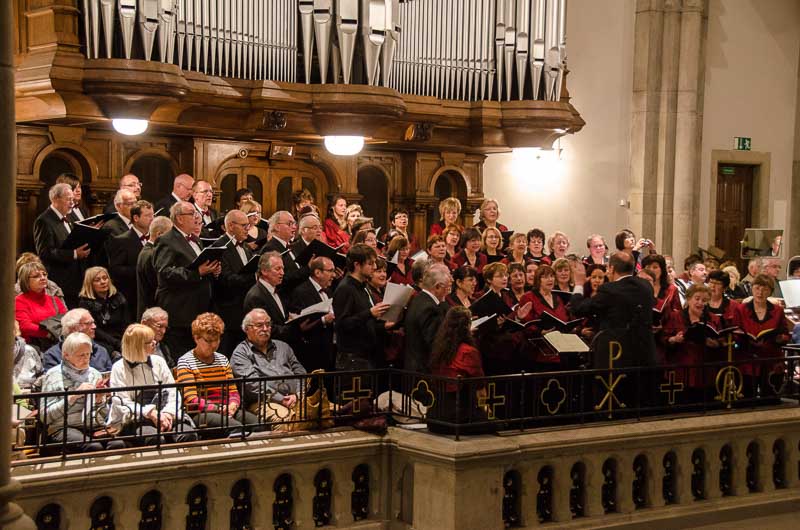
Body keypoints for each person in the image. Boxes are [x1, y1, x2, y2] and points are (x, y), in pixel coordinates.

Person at [570, 251, 657, 376]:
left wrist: (578, 285)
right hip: (644, 354)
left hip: (616, 356)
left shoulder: (610, 290)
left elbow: (579, 308)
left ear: (612, 268)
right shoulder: (646, 286)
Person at [176, 313, 263, 438]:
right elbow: (191, 399)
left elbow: (233, 391)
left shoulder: (222, 359)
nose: (213, 345)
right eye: (208, 341)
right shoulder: (186, 361)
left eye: (216, 340)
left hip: (225, 408)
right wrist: (217, 408)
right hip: (200, 413)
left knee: (258, 424)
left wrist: (233, 405)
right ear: (196, 338)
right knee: (235, 427)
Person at [110, 324, 198, 445]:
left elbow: (172, 392)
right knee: (154, 438)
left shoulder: (159, 362)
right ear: (137, 346)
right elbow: (122, 402)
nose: (155, 343)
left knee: (187, 434)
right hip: (135, 419)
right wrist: (150, 413)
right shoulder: (119, 368)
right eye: (150, 342)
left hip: (165, 413)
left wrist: (168, 413)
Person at [154, 201, 221, 356]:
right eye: (192, 214)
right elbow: (164, 272)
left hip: (199, 307)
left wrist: (213, 270)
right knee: (181, 354)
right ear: (179, 218)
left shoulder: (196, 239)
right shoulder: (166, 240)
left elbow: (201, 266)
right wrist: (197, 273)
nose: (196, 217)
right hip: (180, 310)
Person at [41, 332, 125, 453]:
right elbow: (45, 416)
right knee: (93, 447)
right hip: (64, 426)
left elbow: (104, 414)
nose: (86, 359)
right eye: (81, 355)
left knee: (117, 444)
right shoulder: (53, 375)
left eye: (88, 354)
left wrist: (99, 401)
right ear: (66, 355)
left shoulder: (95, 374)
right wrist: (73, 397)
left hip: (93, 424)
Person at [231, 309, 307, 430]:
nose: (265, 329)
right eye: (259, 325)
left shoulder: (283, 346)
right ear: (247, 329)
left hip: (295, 398)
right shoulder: (241, 353)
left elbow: (301, 373)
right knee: (286, 421)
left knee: (325, 413)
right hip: (262, 402)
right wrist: (281, 399)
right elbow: (252, 385)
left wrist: (298, 394)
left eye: (268, 324)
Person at [428, 306, 490, 434]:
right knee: (500, 425)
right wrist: (485, 409)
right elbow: (480, 387)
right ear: (467, 326)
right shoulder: (468, 351)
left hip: (435, 417)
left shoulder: (439, 349)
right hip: (460, 418)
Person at [333, 244, 392, 370]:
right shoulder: (345, 288)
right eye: (370, 264)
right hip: (353, 360)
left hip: (367, 356)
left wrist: (384, 325)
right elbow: (342, 324)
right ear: (357, 265)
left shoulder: (363, 285)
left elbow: (365, 323)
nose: (374, 267)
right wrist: (370, 313)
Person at [660, 284, 722, 404]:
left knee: (703, 405)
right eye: (697, 298)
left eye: (704, 300)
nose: (700, 303)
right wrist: (674, 339)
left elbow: (721, 341)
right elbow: (663, 338)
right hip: (680, 370)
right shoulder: (674, 317)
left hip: (704, 372)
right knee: (682, 405)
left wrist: (715, 344)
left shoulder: (714, 319)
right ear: (688, 299)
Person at [734, 274, 792, 398]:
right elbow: (735, 332)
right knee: (747, 399)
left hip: (771, 360)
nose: (760, 293)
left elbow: (785, 334)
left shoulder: (777, 310)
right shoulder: (741, 309)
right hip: (747, 360)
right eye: (757, 288)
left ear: (770, 292)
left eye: (765, 289)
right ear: (752, 289)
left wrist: (780, 338)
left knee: (771, 399)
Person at [34, 182, 91, 308]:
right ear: (56, 199)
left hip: (76, 280)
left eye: (72, 199)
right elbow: (45, 252)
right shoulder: (44, 221)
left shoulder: (69, 218)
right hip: (60, 281)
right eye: (68, 199)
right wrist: (74, 254)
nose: (72, 203)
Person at [212, 210, 256, 356]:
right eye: (244, 225)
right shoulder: (219, 247)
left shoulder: (245, 247)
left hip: (244, 309)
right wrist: (254, 278)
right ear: (231, 226)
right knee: (228, 354)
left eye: (248, 225)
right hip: (228, 312)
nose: (247, 229)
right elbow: (225, 279)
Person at [518, 264, 572, 370]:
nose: (550, 279)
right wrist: (541, 332)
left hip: (560, 348)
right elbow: (526, 322)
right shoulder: (528, 297)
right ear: (538, 280)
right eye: (545, 277)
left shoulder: (557, 298)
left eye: (551, 276)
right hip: (538, 350)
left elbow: (564, 318)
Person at [107, 199, 154, 321]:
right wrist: (139, 270)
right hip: (133, 296)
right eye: (148, 216)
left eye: (152, 215)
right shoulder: (121, 240)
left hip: (152, 294)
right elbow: (115, 269)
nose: (152, 219)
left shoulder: (157, 239)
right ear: (136, 218)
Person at [288, 257, 336, 371]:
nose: (334, 275)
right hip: (311, 354)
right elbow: (299, 325)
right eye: (330, 271)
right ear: (317, 272)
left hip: (329, 351)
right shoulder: (301, 292)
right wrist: (323, 320)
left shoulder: (328, 291)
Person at [404, 264, 452, 373]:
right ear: (437, 287)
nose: (448, 291)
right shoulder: (429, 308)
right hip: (423, 369)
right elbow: (434, 341)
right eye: (447, 287)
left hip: (415, 366)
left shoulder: (419, 299)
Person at [15, 261, 67, 350]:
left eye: (44, 274)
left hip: (58, 344)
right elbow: (25, 326)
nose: (43, 278)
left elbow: (67, 320)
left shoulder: (55, 300)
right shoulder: (19, 301)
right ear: (25, 280)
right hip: (34, 347)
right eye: (36, 276)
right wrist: (48, 334)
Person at [42, 308, 113, 371]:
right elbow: (53, 380)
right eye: (88, 323)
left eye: (93, 323)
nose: (94, 326)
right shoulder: (52, 355)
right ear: (73, 328)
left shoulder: (101, 351)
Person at [78, 266, 128, 355]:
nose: (103, 282)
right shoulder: (85, 303)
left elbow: (126, 322)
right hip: (101, 341)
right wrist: (116, 343)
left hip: (121, 338)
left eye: (105, 278)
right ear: (90, 284)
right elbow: (95, 330)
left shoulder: (119, 297)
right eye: (97, 280)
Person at [135, 216, 173, 321]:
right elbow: (156, 285)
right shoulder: (151, 254)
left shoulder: (148, 251)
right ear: (159, 234)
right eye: (170, 235)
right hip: (152, 312)